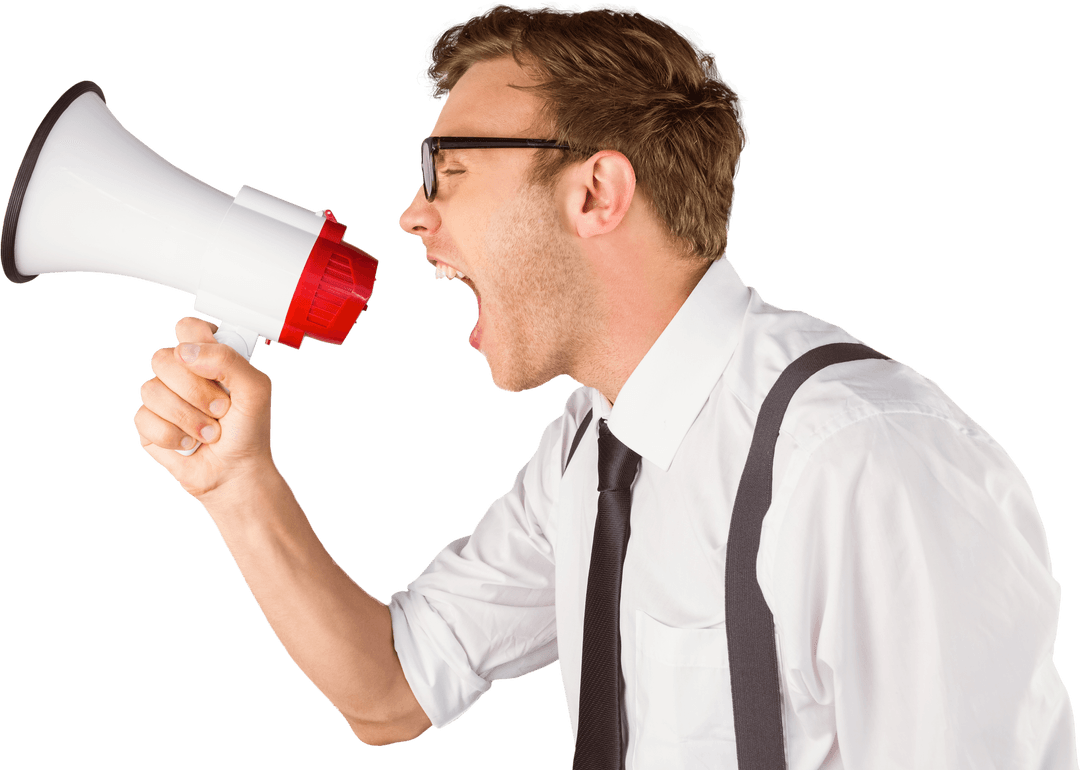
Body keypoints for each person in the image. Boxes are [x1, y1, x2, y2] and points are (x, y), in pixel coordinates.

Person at [133, 3, 1078, 767]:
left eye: (449, 170)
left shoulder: (858, 458)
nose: (413, 214)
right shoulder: (592, 450)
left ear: (595, 193)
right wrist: (238, 486)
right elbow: (391, 692)